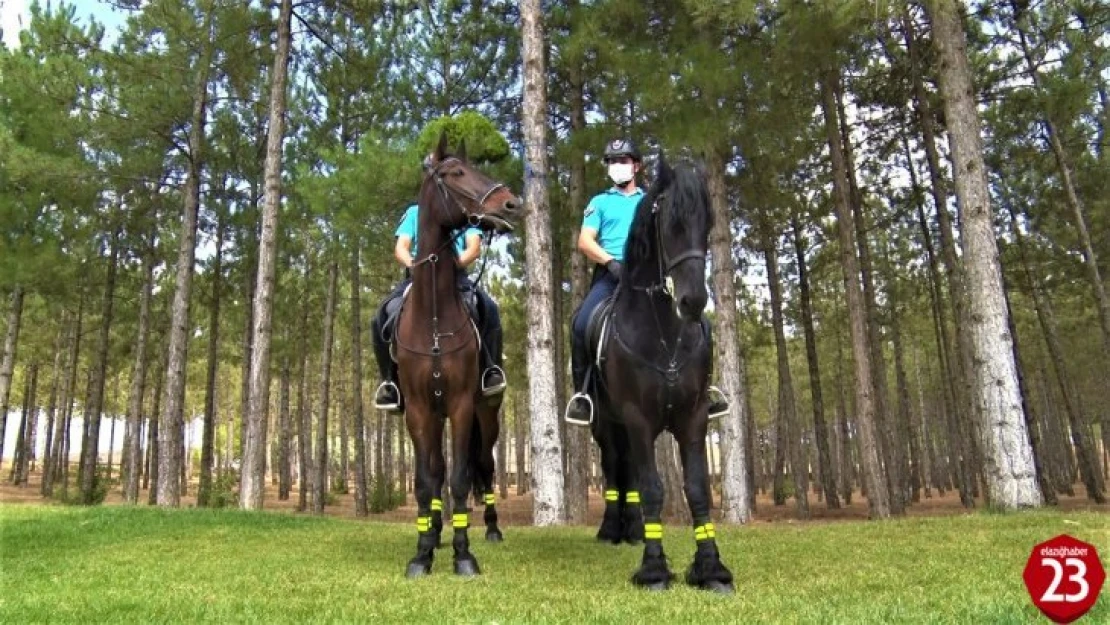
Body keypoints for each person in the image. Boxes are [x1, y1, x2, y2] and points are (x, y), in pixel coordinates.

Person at [564, 138, 729, 426]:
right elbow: (585, 241)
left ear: (636, 166)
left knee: (701, 322)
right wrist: (611, 262)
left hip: (651, 278)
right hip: (611, 274)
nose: (617, 166)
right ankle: (583, 396)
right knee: (580, 323)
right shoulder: (599, 202)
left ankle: (704, 390)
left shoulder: (651, 201)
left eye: (623, 161)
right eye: (612, 162)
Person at [371, 174, 505, 412]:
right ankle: (389, 381)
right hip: (419, 279)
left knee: (488, 308)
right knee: (381, 316)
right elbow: (401, 246)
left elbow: (473, 248)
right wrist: (415, 266)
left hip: (456, 278)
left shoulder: (465, 216)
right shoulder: (415, 212)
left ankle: (490, 370)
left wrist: (453, 266)